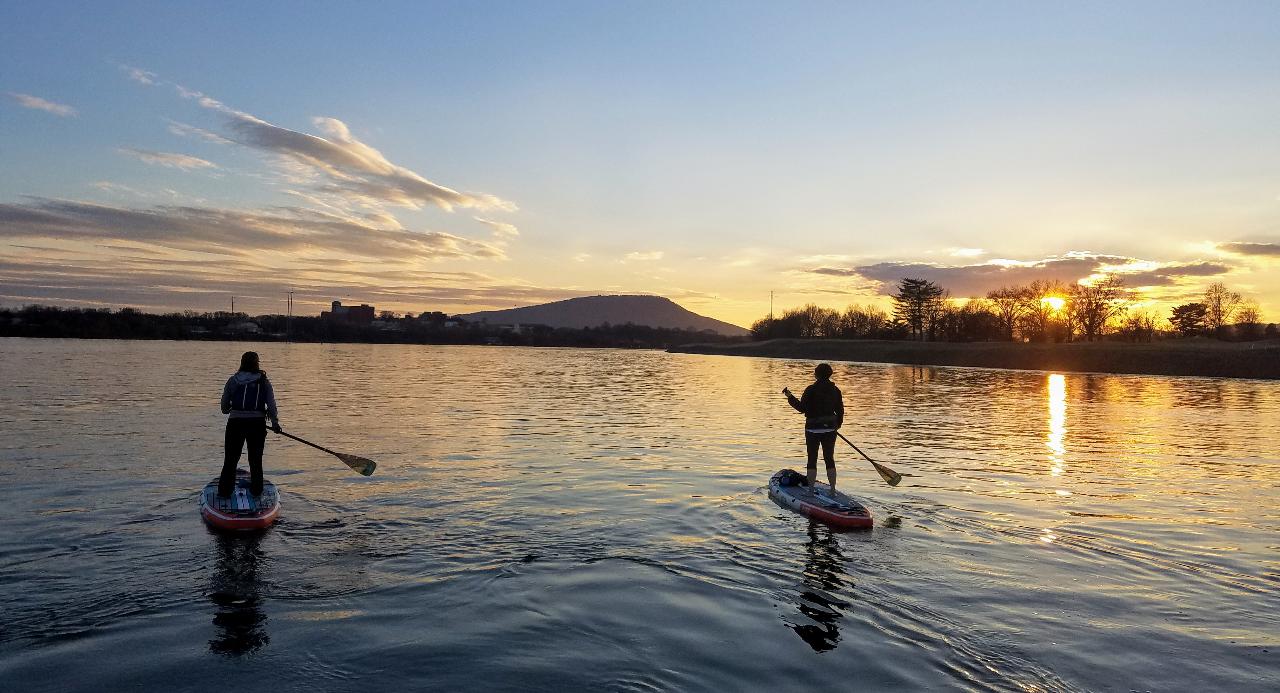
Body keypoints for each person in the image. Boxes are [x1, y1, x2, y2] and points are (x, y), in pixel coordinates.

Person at [219, 351, 280, 498]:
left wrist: (230, 409)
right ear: (256, 364)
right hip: (257, 425)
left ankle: (225, 492)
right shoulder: (264, 381)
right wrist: (275, 423)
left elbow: (224, 407)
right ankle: (257, 491)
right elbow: (271, 405)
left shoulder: (233, 381)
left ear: (242, 363)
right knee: (255, 459)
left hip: (235, 423)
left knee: (231, 459)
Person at [783, 363, 844, 492]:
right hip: (830, 430)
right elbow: (840, 410)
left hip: (812, 429)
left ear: (816, 375)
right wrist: (837, 426)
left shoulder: (811, 389)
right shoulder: (836, 390)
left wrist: (790, 397)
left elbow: (801, 408)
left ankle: (810, 489)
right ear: (829, 375)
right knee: (829, 458)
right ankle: (832, 489)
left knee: (812, 458)